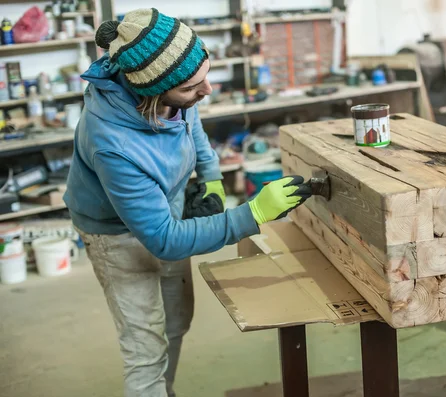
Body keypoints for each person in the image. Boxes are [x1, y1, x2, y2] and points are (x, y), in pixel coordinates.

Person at [63, 8, 311, 397]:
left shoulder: (169, 94)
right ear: (152, 91)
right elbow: (164, 239)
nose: (207, 90)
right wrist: (253, 213)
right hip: (116, 236)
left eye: (205, 77)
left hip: (168, 212)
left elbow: (190, 124)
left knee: (176, 320)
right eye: (191, 87)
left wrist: (211, 179)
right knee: (146, 351)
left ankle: (167, 390)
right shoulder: (112, 143)